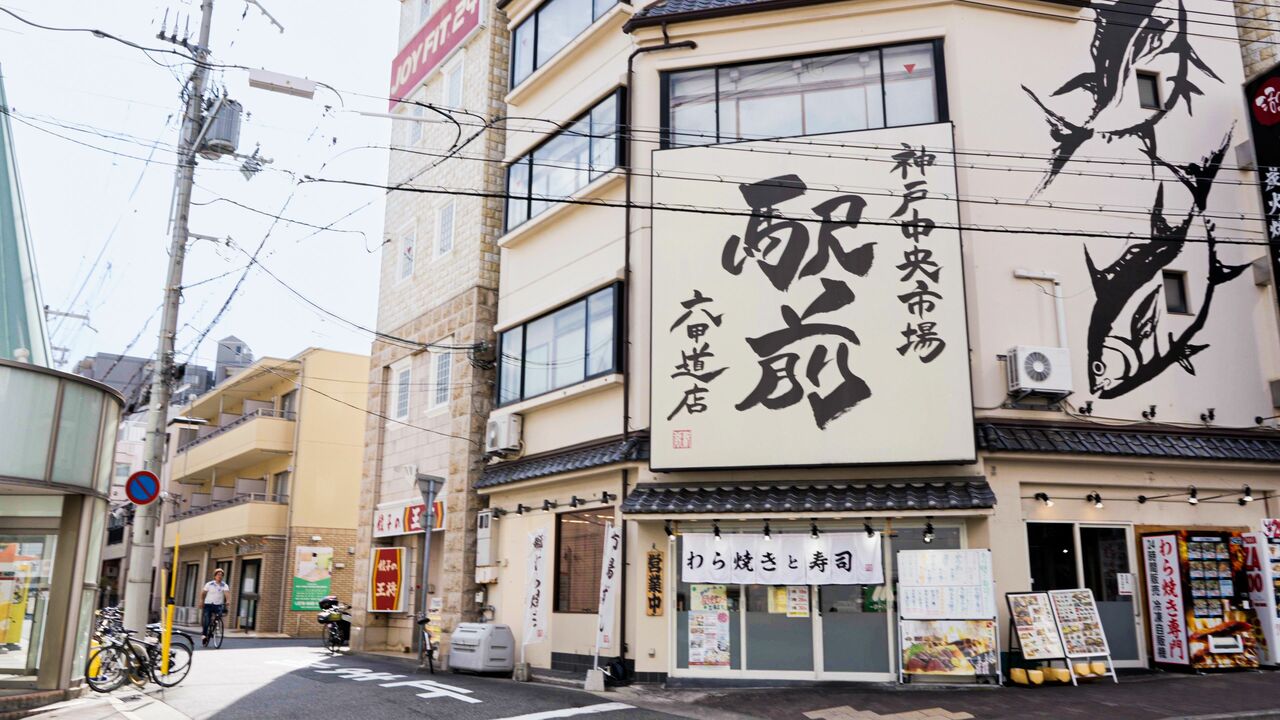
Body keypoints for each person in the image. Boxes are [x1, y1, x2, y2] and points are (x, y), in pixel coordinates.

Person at [201, 569, 230, 647]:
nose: (220, 576)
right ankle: (204, 635)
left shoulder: (224, 585)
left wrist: (228, 600)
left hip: (218, 605)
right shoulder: (209, 584)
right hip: (208, 604)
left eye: (221, 575)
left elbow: (227, 594)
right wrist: (201, 601)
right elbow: (203, 593)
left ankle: (214, 627)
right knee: (207, 619)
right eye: (218, 575)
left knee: (219, 616)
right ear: (215, 576)